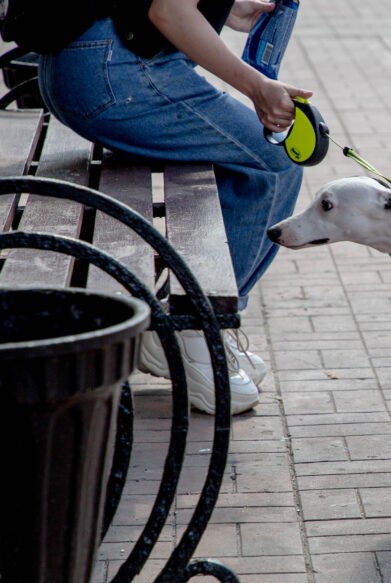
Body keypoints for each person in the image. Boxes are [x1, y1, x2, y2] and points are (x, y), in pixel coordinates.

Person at [37, 0, 311, 414]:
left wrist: (224, 6)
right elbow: (168, 11)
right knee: (274, 163)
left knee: (230, 158)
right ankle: (194, 327)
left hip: (84, 62)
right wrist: (256, 87)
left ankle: (182, 325)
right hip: (115, 71)